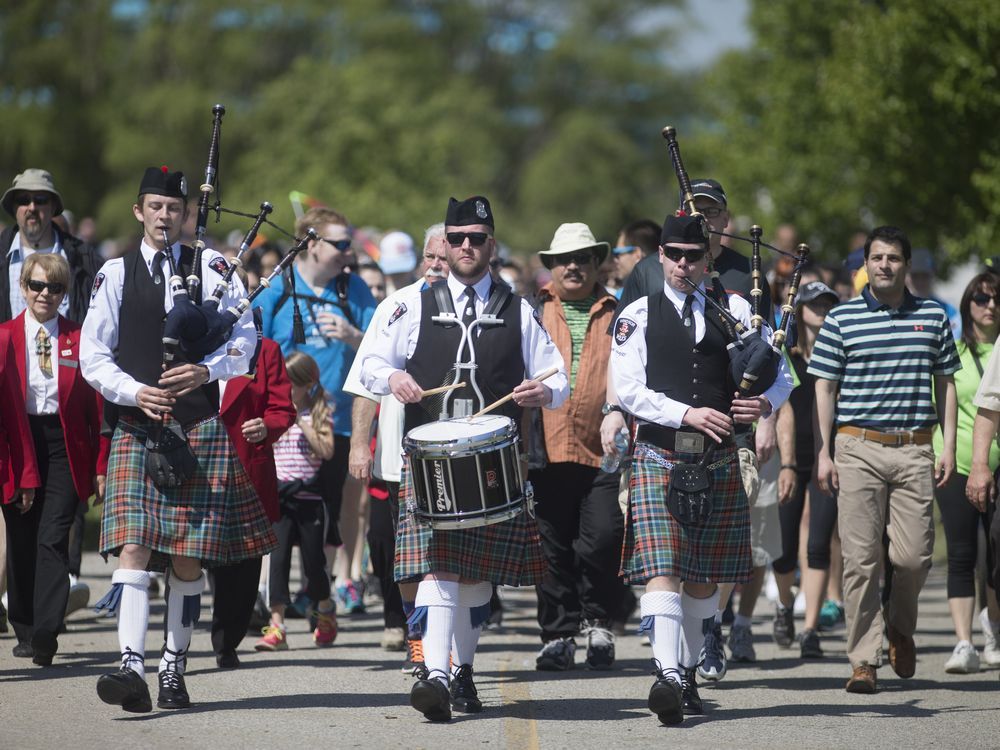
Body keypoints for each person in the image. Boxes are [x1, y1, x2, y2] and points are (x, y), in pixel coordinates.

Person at [359, 195, 568, 722]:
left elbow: (557, 375)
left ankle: (464, 670)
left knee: (475, 579)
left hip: (493, 462)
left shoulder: (517, 308)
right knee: (437, 570)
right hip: (427, 460)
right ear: (444, 246)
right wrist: (394, 378)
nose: (467, 247)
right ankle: (434, 673)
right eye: (457, 238)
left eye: (477, 238)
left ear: (491, 244)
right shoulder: (407, 305)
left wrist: (544, 395)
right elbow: (368, 366)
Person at [81, 166, 277, 713]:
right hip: (139, 425)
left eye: (175, 208)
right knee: (135, 548)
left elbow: (245, 341)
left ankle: (173, 664)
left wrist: (206, 372)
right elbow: (94, 354)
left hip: (197, 427)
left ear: (187, 214)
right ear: (138, 211)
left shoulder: (213, 268)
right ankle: (129, 665)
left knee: (188, 559)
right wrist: (135, 391)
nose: (166, 216)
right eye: (156, 206)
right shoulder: (115, 273)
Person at [610, 213, 792, 725]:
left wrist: (766, 405)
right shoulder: (637, 315)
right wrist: (684, 413)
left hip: (717, 460)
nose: (683, 263)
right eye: (674, 254)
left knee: (703, 580)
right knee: (663, 569)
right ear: (660, 256)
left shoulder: (735, 309)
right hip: (658, 455)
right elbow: (627, 389)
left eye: (694, 254)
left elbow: (781, 374)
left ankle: (687, 672)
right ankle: (667, 674)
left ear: (708, 259)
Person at [811, 225, 959, 694]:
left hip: (915, 447)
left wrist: (949, 445)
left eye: (893, 258)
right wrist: (824, 450)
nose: (884, 265)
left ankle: (899, 626)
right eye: (876, 258)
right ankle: (863, 659)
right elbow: (824, 386)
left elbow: (947, 383)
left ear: (906, 265)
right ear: (865, 265)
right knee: (859, 559)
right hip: (856, 447)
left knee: (913, 558)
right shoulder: (842, 319)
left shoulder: (933, 317)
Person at [257, 206, 377, 617]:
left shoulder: (354, 290)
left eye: (350, 243)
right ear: (310, 243)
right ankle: (270, 598)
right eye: (340, 243)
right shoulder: (277, 287)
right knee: (275, 514)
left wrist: (353, 335)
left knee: (322, 514)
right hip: (280, 423)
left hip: (335, 421)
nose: (348, 251)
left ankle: (315, 591)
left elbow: (382, 351)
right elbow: (253, 346)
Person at [344, 223, 448, 668]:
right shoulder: (399, 306)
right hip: (397, 456)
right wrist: (359, 446)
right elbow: (366, 381)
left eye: (445, 256)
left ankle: (445, 646)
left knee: (445, 559)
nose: (438, 264)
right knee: (396, 550)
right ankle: (416, 633)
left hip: (456, 457)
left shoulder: (485, 306)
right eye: (432, 256)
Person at [524, 222, 627, 671]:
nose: (573, 266)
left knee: (602, 537)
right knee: (551, 546)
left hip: (604, 447)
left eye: (583, 258)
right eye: (564, 259)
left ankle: (599, 622)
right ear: (551, 266)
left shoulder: (621, 312)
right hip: (543, 446)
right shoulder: (530, 310)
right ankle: (558, 635)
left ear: (596, 263)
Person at [0, 254, 106, 666]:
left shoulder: (81, 338)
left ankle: (47, 630)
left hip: (64, 444)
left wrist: (101, 465)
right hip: (18, 442)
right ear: (23, 287)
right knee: (22, 538)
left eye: (56, 288)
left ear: (64, 294)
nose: (46, 295)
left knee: (53, 536)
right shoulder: (5, 336)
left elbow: (97, 408)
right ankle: (24, 625)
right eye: (38, 286)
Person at [211, 334, 296, 668]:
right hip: (197, 463)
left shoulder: (266, 350)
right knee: (199, 557)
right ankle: (179, 640)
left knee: (245, 560)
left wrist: (268, 425)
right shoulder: (193, 342)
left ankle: (228, 639)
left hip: (246, 462)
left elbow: (282, 408)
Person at [771, 280, 842, 658]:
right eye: (815, 304)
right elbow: (779, 406)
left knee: (818, 544)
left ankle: (810, 629)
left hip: (827, 459)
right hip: (789, 458)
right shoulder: (785, 352)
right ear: (801, 310)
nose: (822, 310)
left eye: (829, 304)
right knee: (782, 550)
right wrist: (783, 462)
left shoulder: (842, 353)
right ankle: (784, 606)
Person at [933, 273, 1000, 672]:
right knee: (961, 553)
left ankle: (992, 628)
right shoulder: (953, 352)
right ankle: (963, 642)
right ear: (967, 303)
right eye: (980, 298)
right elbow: (940, 408)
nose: (989, 305)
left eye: (996, 299)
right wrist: (940, 454)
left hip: (998, 464)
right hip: (956, 463)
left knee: (995, 550)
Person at [256, 352, 338, 651]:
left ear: (306, 384)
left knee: (314, 565)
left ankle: (325, 607)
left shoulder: (318, 413)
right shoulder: (274, 412)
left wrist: (300, 422)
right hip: (281, 497)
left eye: (291, 383)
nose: (286, 388)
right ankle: (277, 626)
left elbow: (326, 450)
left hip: (309, 498)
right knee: (277, 562)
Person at [1, 169, 101, 324]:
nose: (32, 207)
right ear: (14, 208)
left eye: (40, 199)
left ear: (53, 207)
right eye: (23, 200)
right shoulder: (2, 254)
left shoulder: (84, 259)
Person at [611, 219, 661, 298]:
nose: (615, 260)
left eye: (618, 254)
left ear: (637, 255)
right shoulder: (677, 292)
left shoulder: (622, 299)